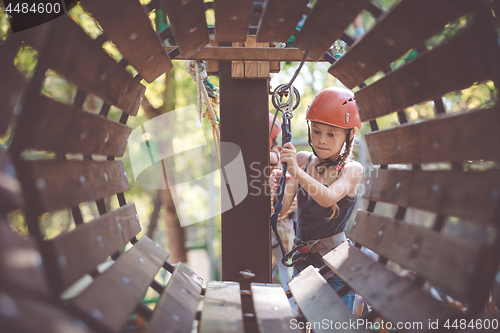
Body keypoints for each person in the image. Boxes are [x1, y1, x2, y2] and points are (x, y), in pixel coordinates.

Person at [272, 87, 363, 310]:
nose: (321, 140)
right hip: (303, 263)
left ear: (349, 135)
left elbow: (328, 198)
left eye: (331, 134)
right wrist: (276, 187)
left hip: (336, 268)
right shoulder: (303, 161)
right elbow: (282, 209)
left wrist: (295, 170)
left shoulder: (351, 169)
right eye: (316, 131)